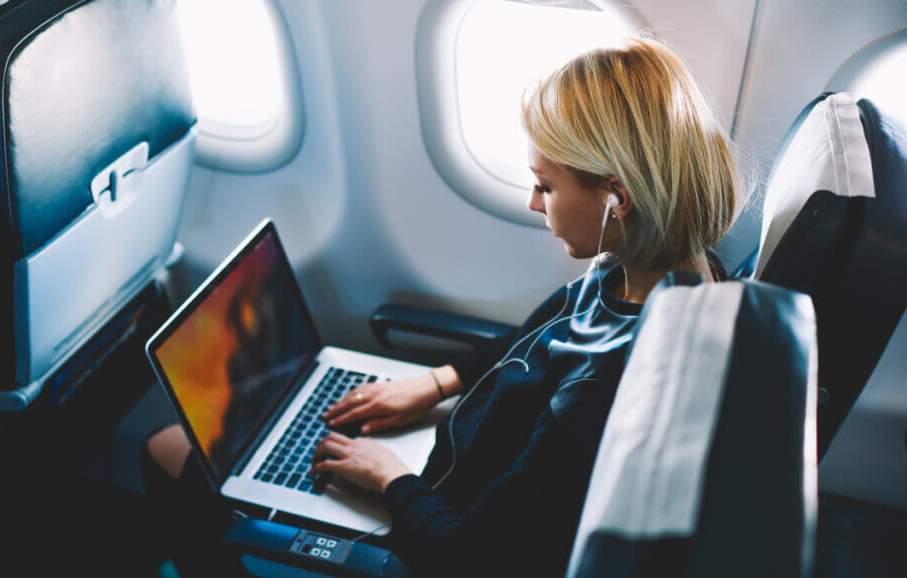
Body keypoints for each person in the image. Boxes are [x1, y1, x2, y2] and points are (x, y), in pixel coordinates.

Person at [142, 35, 741, 577]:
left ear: (618, 197)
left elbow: (469, 560)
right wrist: (436, 383)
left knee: (170, 450)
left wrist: (390, 479)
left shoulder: (606, 386)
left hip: (431, 529)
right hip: (453, 467)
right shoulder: (648, 271)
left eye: (546, 185)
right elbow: (531, 345)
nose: (535, 204)